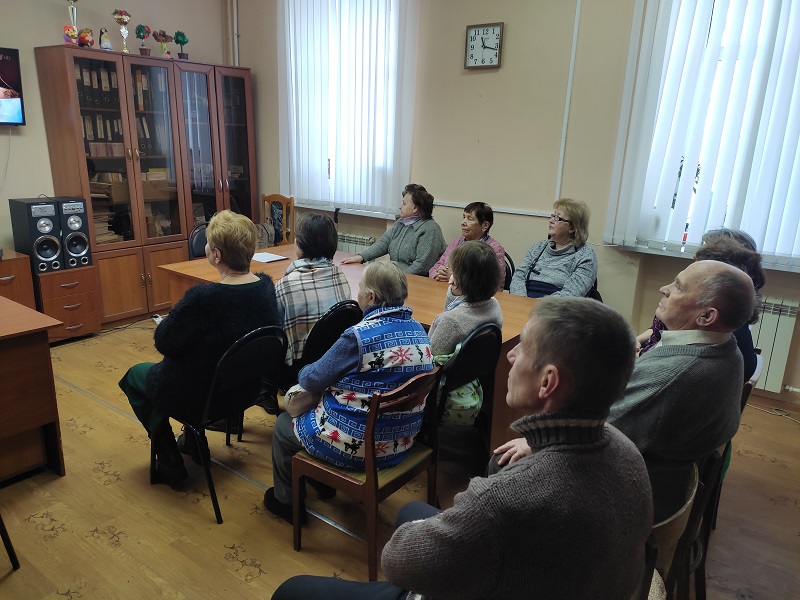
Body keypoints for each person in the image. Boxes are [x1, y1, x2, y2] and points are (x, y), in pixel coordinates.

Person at [272, 297, 653, 600]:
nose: (511, 355)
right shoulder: (628, 454)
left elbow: (397, 562)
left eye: (523, 347)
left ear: (547, 382)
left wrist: (464, 517)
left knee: (291, 590)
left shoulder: (502, 501)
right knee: (410, 510)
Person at [265, 261, 434, 524]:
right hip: (401, 440)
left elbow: (311, 378)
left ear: (371, 297)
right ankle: (320, 481)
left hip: (358, 447)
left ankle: (286, 502)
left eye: (361, 289)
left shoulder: (357, 337)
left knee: (283, 426)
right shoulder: (420, 332)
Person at [118, 210, 280, 485]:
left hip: (203, 397)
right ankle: (193, 441)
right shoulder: (265, 287)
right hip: (244, 392)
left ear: (216, 255)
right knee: (196, 364)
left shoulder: (203, 299)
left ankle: (169, 459)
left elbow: (164, 342)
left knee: (136, 376)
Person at [610, 260, 757, 520]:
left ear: (706, 316)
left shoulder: (673, 375)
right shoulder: (728, 348)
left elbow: (590, 435)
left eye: (678, 286)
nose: (664, 289)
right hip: (664, 478)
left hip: (628, 499)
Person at [637, 230, 766, 380]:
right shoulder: (704, 322)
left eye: (703, 255)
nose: (694, 257)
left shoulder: (702, 346)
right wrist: (637, 340)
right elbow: (658, 329)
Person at [428, 240, 503, 425]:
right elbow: (456, 310)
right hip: (469, 383)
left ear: (463, 278)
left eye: (454, 271)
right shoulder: (493, 305)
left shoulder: (449, 322)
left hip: (442, 396)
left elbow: (428, 365)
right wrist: (455, 290)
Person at [275, 212, 351, 386]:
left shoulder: (285, 285)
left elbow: (276, 337)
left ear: (301, 244)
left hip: (297, 372)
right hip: (335, 364)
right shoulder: (340, 276)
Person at [340, 183, 446, 276]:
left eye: (404, 204)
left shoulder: (430, 229)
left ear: (415, 208)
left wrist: (395, 279)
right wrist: (361, 257)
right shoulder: (401, 222)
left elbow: (421, 266)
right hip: (397, 278)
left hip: (415, 281)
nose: (400, 207)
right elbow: (384, 243)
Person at [509, 198, 597, 298]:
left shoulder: (586, 255)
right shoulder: (539, 247)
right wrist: (521, 300)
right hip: (523, 301)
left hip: (555, 306)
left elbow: (570, 294)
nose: (551, 221)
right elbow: (519, 276)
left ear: (572, 228)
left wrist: (537, 305)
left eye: (558, 218)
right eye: (553, 215)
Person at [428, 202, 506, 290]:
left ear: (485, 225)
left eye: (470, 219)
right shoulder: (456, 242)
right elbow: (435, 268)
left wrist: (456, 277)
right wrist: (438, 274)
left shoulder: (494, 249)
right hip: (447, 290)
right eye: (464, 217)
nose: (463, 223)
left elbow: (492, 284)